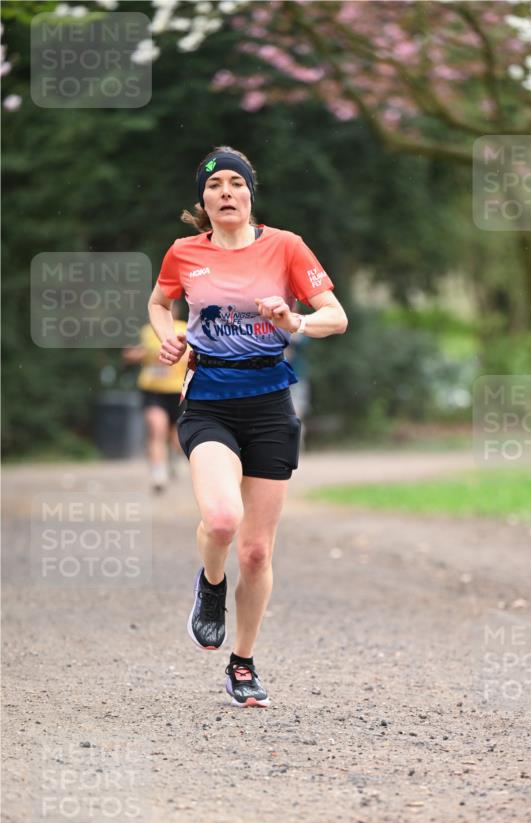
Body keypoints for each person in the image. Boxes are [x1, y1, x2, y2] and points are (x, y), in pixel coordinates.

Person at [148, 146, 347, 707]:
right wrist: (168, 335)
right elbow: (160, 303)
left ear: (250, 193)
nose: (226, 193)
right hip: (208, 400)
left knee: (257, 553)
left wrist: (295, 320)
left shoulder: (286, 246)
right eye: (215, 186)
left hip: (269, 405)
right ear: (204, 200)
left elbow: (336, 317)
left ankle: (242, 662)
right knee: (221, 519)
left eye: (236, 183)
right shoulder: (184, 253)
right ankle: (211, 585)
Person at [122, 309, 189, 492]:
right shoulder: (147, 331)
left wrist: (172, 355)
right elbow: (137, 353)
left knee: (176, 437)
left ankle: (173, 458)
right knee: (157, 428)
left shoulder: (184, 328)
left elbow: (190, 357)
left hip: (177, 391)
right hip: (153, 389)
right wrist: (134, 355)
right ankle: (158, 475)